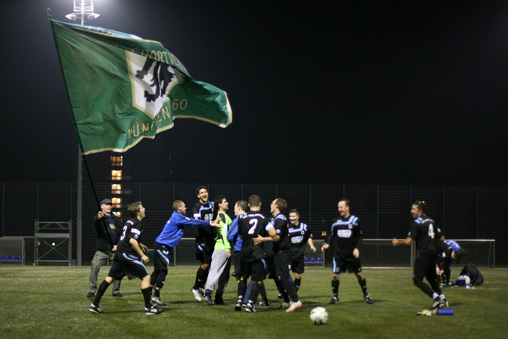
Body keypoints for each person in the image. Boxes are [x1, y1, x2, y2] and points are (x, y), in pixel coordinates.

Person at [89, 202, 163, 315]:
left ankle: (95, 305)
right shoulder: (138, 223)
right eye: (142, 208)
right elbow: (132, 240)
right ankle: (148, 308)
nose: (144, 209)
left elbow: (128, 237)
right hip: (127, 255)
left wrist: (140, 244)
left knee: (110, 278)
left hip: (119, 254)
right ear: (138, 212)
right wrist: (142, 255)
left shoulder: (129, 221)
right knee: (146, 277)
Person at [150, 200, 220, 306]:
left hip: (160, 245)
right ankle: (155, 296)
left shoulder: (176, 216)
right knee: (163, 271)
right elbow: (193, 221)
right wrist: (210, 223)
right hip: (162, 246)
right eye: (184, 206)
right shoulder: (178, 217)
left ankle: (149, 294)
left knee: (157, 271)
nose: (185, 208)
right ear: (179, 208)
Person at [392, 200, 448, 314]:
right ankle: (443, 299)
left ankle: (436, 298)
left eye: (414, 209)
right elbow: (442, 238)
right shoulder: (431, 221)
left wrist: (398, 243)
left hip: (423, 253)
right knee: (432, 279)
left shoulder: (417, 222)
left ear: (420, 211)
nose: (411, 211)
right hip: (433, 253)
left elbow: (408, 242)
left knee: (417, 280)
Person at [254, 198, 303, 312]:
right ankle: (286, 301)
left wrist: (262, 239)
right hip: (276, 253)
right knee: (277, 277)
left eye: (272, 203)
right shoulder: (275, 219)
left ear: (276, 206)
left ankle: (295, 300)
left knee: (283, 277)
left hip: (282, 253)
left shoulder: (280, 219)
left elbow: (276, 237)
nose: (270, 205)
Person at [321, 199, 373, 305]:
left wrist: (357, 248)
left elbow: (359, 236)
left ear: (347, 207)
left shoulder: (355, 220)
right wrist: (328, 244)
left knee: (359, 274)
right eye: (338, 207)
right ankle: (335, 297)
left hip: (351, 255)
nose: (339, 209)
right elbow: (332, 234)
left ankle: (366, 295)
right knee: (335, 276)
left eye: (341, 207)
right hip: (339, 254)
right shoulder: (336, 221)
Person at [235, 195, 278, 313]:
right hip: (257, 252)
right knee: (258, 279)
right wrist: (263, 237)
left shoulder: (242, 218)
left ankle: (239, 300)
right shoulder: (264, 218)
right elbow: (273, 234)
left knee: (243, 277)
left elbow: (240, 235)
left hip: (244, 251)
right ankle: (250, 304)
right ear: (260, 204)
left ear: (248, 205)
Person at [87, 198, 123, 298]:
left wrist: (118, 245)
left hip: (115, 249)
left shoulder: (116, 219)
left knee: (119, 268)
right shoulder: (100, 218)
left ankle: (115, 291)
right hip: (102, 249)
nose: (109, 206)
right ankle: (92, 290)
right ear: (102, 206)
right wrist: (99, 218)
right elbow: (96, 224)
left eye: (110, 204)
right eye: (106, 204)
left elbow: (121, 234)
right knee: (95, 266)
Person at [204, 195, 233, 305]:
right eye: (225, 201)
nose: (227, 203)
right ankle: (208, 293)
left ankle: (218, 297)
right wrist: (227, 248)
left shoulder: (223, 216)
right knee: (215, 272)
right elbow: (224, 233)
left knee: (225, 275)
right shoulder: (222, 216)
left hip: (225, 248)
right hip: (222, 248)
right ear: (219, 204)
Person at [191, 186, 216, 301]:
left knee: (209, 264)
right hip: (202, 239)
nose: (204, 194)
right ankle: (195, 288)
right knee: (205, 263)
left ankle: (201, 286)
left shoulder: (212, 204)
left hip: (211, 238)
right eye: (201, 193)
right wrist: (210, 223)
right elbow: (196, 222)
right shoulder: (197, 207)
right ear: (198, 196)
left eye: (205, 192)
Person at [288, 209, 316, 292]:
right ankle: (283, 291)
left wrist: (312, 246)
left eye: (293, 216)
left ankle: (294, 293)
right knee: (284, 274)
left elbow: (308, 237)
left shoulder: (304, 227)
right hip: (289, 255)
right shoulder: (287, 228)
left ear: (297, 216)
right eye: (290, 216)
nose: (291, 218)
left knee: (298, 275)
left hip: (299, 255)